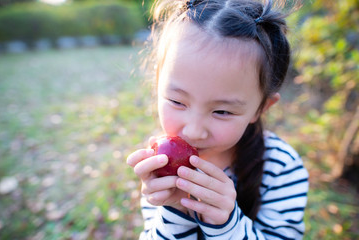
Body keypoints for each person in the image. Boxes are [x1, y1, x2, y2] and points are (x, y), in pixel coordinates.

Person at [127, 0, 309, 239]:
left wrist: (227, 224)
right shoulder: (160, 165)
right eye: (177, 102)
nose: (193, 131)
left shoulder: (281, 169)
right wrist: (173, 209)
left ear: (261, 108)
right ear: (158, 84)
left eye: (222, 111)